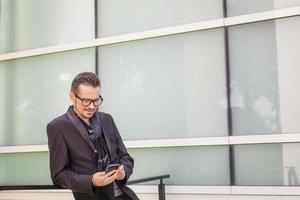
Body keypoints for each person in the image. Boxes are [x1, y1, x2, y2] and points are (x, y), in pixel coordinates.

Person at [47, 72, 139, 200]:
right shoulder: (58, 127)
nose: (92, 106)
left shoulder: (107, 119)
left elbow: (126, 157)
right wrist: (91, 181)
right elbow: (59, 175)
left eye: (96, 101)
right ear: (72, 96)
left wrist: (123, 173)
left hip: (125, 196)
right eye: (86, 101)